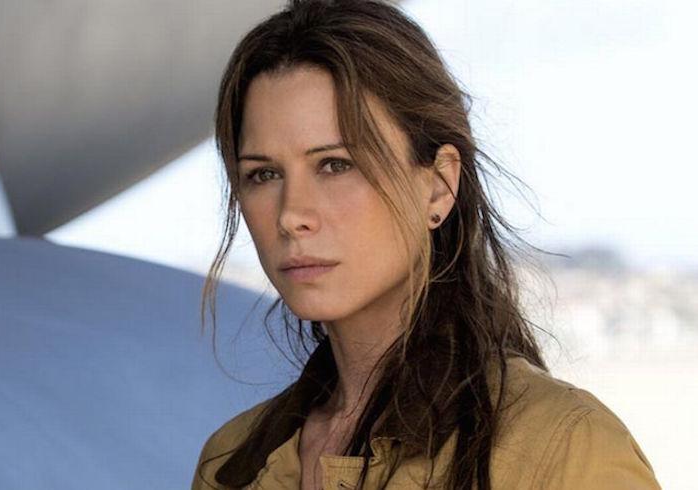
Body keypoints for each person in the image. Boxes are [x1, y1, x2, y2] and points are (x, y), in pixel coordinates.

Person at [192, 1, 661, 489]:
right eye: (263, 174)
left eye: (335, 165)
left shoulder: (566, 449)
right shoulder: (229, 463)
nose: (291, 215)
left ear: (438, 185)